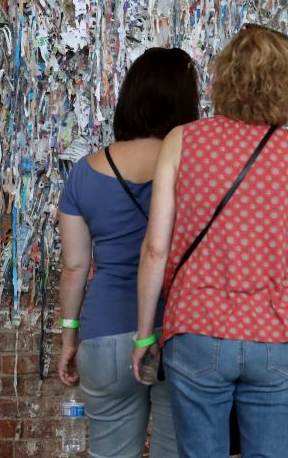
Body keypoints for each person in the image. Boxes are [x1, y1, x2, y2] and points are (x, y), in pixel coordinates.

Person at [132, 24, 288, 458]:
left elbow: (156, 248)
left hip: (196, 329)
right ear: (285, 83)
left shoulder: (183, 140)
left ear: (223, 76)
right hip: (275, 335)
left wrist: (143, 337)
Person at [57, 47, 199, 458]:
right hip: (177, 333)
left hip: (104, 335)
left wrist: (70, 335)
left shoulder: (84, 172)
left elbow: (75, 266)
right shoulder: (195, 164)